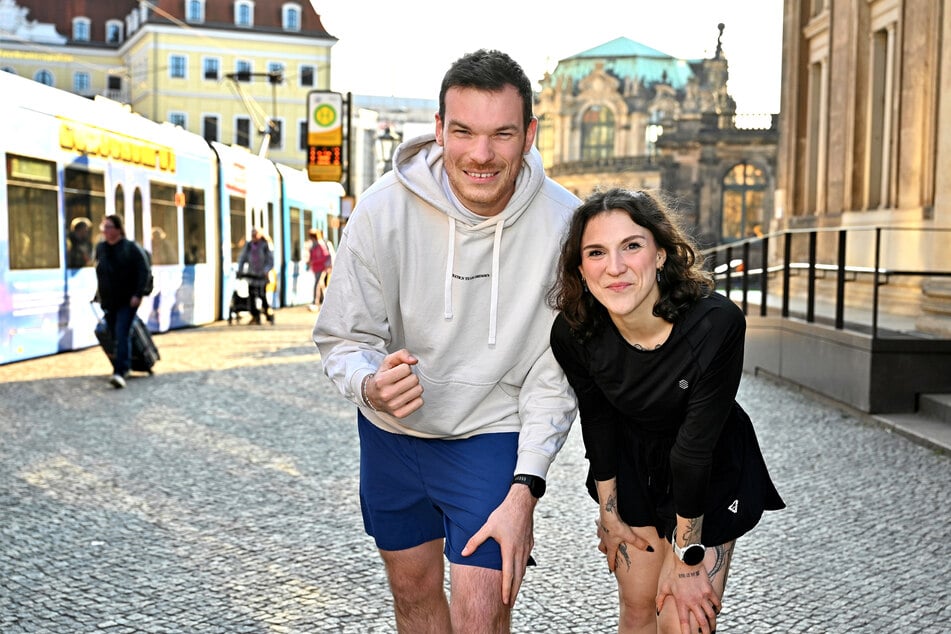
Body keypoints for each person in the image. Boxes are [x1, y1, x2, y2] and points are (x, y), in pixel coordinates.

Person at [312, 49, 579, 633]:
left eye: (501, 134)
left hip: (491, 431)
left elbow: (555, 374)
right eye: (463, 132)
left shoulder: (566, 226)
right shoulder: (382, 209)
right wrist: (369, 384)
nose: (481, 155)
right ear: (438, 129)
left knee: (482, 615)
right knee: (412, 596)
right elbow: (342, 336)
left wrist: (526, 486)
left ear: (529, 135)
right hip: (393, 433)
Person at [547, 188, 785, 634]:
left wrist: (689, 560)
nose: (614, 267)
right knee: (638, 606)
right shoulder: (575, 332)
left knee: (682, 617)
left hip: (709, 464)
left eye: (631, 246)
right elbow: (597, 420)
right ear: (581, 269)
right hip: (633, 459)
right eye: (596, 252)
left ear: (660, 254)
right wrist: (609, 512)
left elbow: (693, 452)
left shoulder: (716, 324)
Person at [95, 214, 150, 389]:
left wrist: (138, 294)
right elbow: (101, 272)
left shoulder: (130, 248)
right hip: (109, 301)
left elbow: (144, 271)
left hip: (128, 300)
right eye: (104, 227)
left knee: (121, 332)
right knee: (113, 333)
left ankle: (120, 371)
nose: (106, 231)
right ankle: (124, 364)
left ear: (118, 229)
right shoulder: (101, 248)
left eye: (109, 227)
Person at [237, 227, 274, 324]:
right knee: (252, 296)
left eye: (255, 234)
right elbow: (242, 258)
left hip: (262, 276)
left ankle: (269, 314)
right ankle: (255, 316)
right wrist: (240, 270)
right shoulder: (249, 245)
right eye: (252, 234)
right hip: (252, 276)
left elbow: (270, 261)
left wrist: (266, 270)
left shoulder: (265, 245)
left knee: (262, 295)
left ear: (260, 235)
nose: (253, 236)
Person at [307, 228, 331, 310]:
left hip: (321, 268)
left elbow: (325, 256)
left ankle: (315, 302)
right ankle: (326, 301)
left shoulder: (320, 245)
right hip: (316, 268)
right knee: (321, 285)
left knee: (317, 284)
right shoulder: (313, 245)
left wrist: (314, 261)